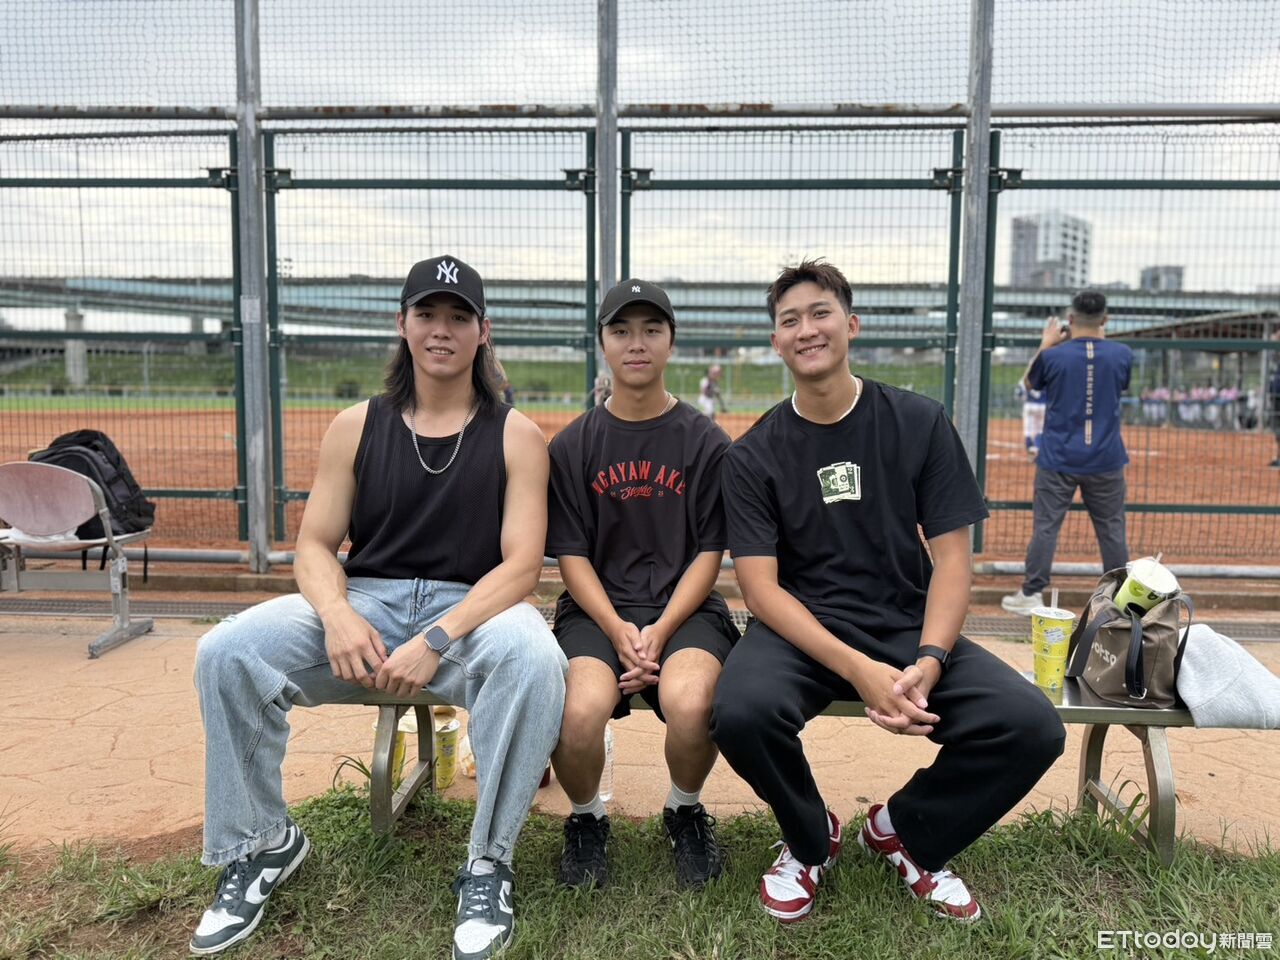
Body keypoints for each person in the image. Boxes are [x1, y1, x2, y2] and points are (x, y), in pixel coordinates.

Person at [189, 255, 567, 960]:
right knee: (227, 650)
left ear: (483, 332)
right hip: (365, 602)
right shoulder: (356, 425)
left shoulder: (516, 433)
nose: (442, 330)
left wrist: (437, 637)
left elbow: (521, 567)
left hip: (472, 613)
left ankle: (488, 863)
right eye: (427, 314)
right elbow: (313, 546)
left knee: (535, 656)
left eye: (459, 316)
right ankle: (263, 844)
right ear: (402, 324)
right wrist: (336, 614)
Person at [710, 259, 1065, 924]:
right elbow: (760, 591)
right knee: (740, 710)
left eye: (820, 313)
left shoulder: (918, 422)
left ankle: (907, 831)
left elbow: (952, 559)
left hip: (904, 619)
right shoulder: (753, 454)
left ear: (852, 324)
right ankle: (810, 839)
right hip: (802, 629)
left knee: (1031, 726)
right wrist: (859, 670)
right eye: (790, 320)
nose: (807, 329)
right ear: (776, 342)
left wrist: (930, 657)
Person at [546, 278, 738, 890]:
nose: (637, 343)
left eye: (652, 329)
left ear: (671, 342)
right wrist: (617, 630)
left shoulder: (705, 441)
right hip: (596, 610)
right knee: (577, 711)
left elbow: (710, 552)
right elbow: (572, 556)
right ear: (602, 342)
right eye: (622, 330)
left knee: (694, 702)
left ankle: (683, 810)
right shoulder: (574, 444)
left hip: (685, 609)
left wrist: (658, 631)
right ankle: (586, 818)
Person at [1002, 290, 1133, 614]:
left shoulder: (1053, 356)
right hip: (1105, 457)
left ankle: (1032, 592)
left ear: (1070, 319)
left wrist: (1045, 344)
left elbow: (1028, 385)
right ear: (1105, 320)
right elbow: (1120, 384)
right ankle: (1118, 597)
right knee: (1112, 528)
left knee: (1046, 526)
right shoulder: (1122, 354)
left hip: (1059, 457)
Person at [1014, 380, 1046, 459]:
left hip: (1029, 406)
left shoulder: (1025, 379)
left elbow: (1019, 394)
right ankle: (1038, 449)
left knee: (1028, 431)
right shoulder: (1046, 378)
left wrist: (1024, 399)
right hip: (1043, 406)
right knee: (1041, 430)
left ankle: (1031, 453)